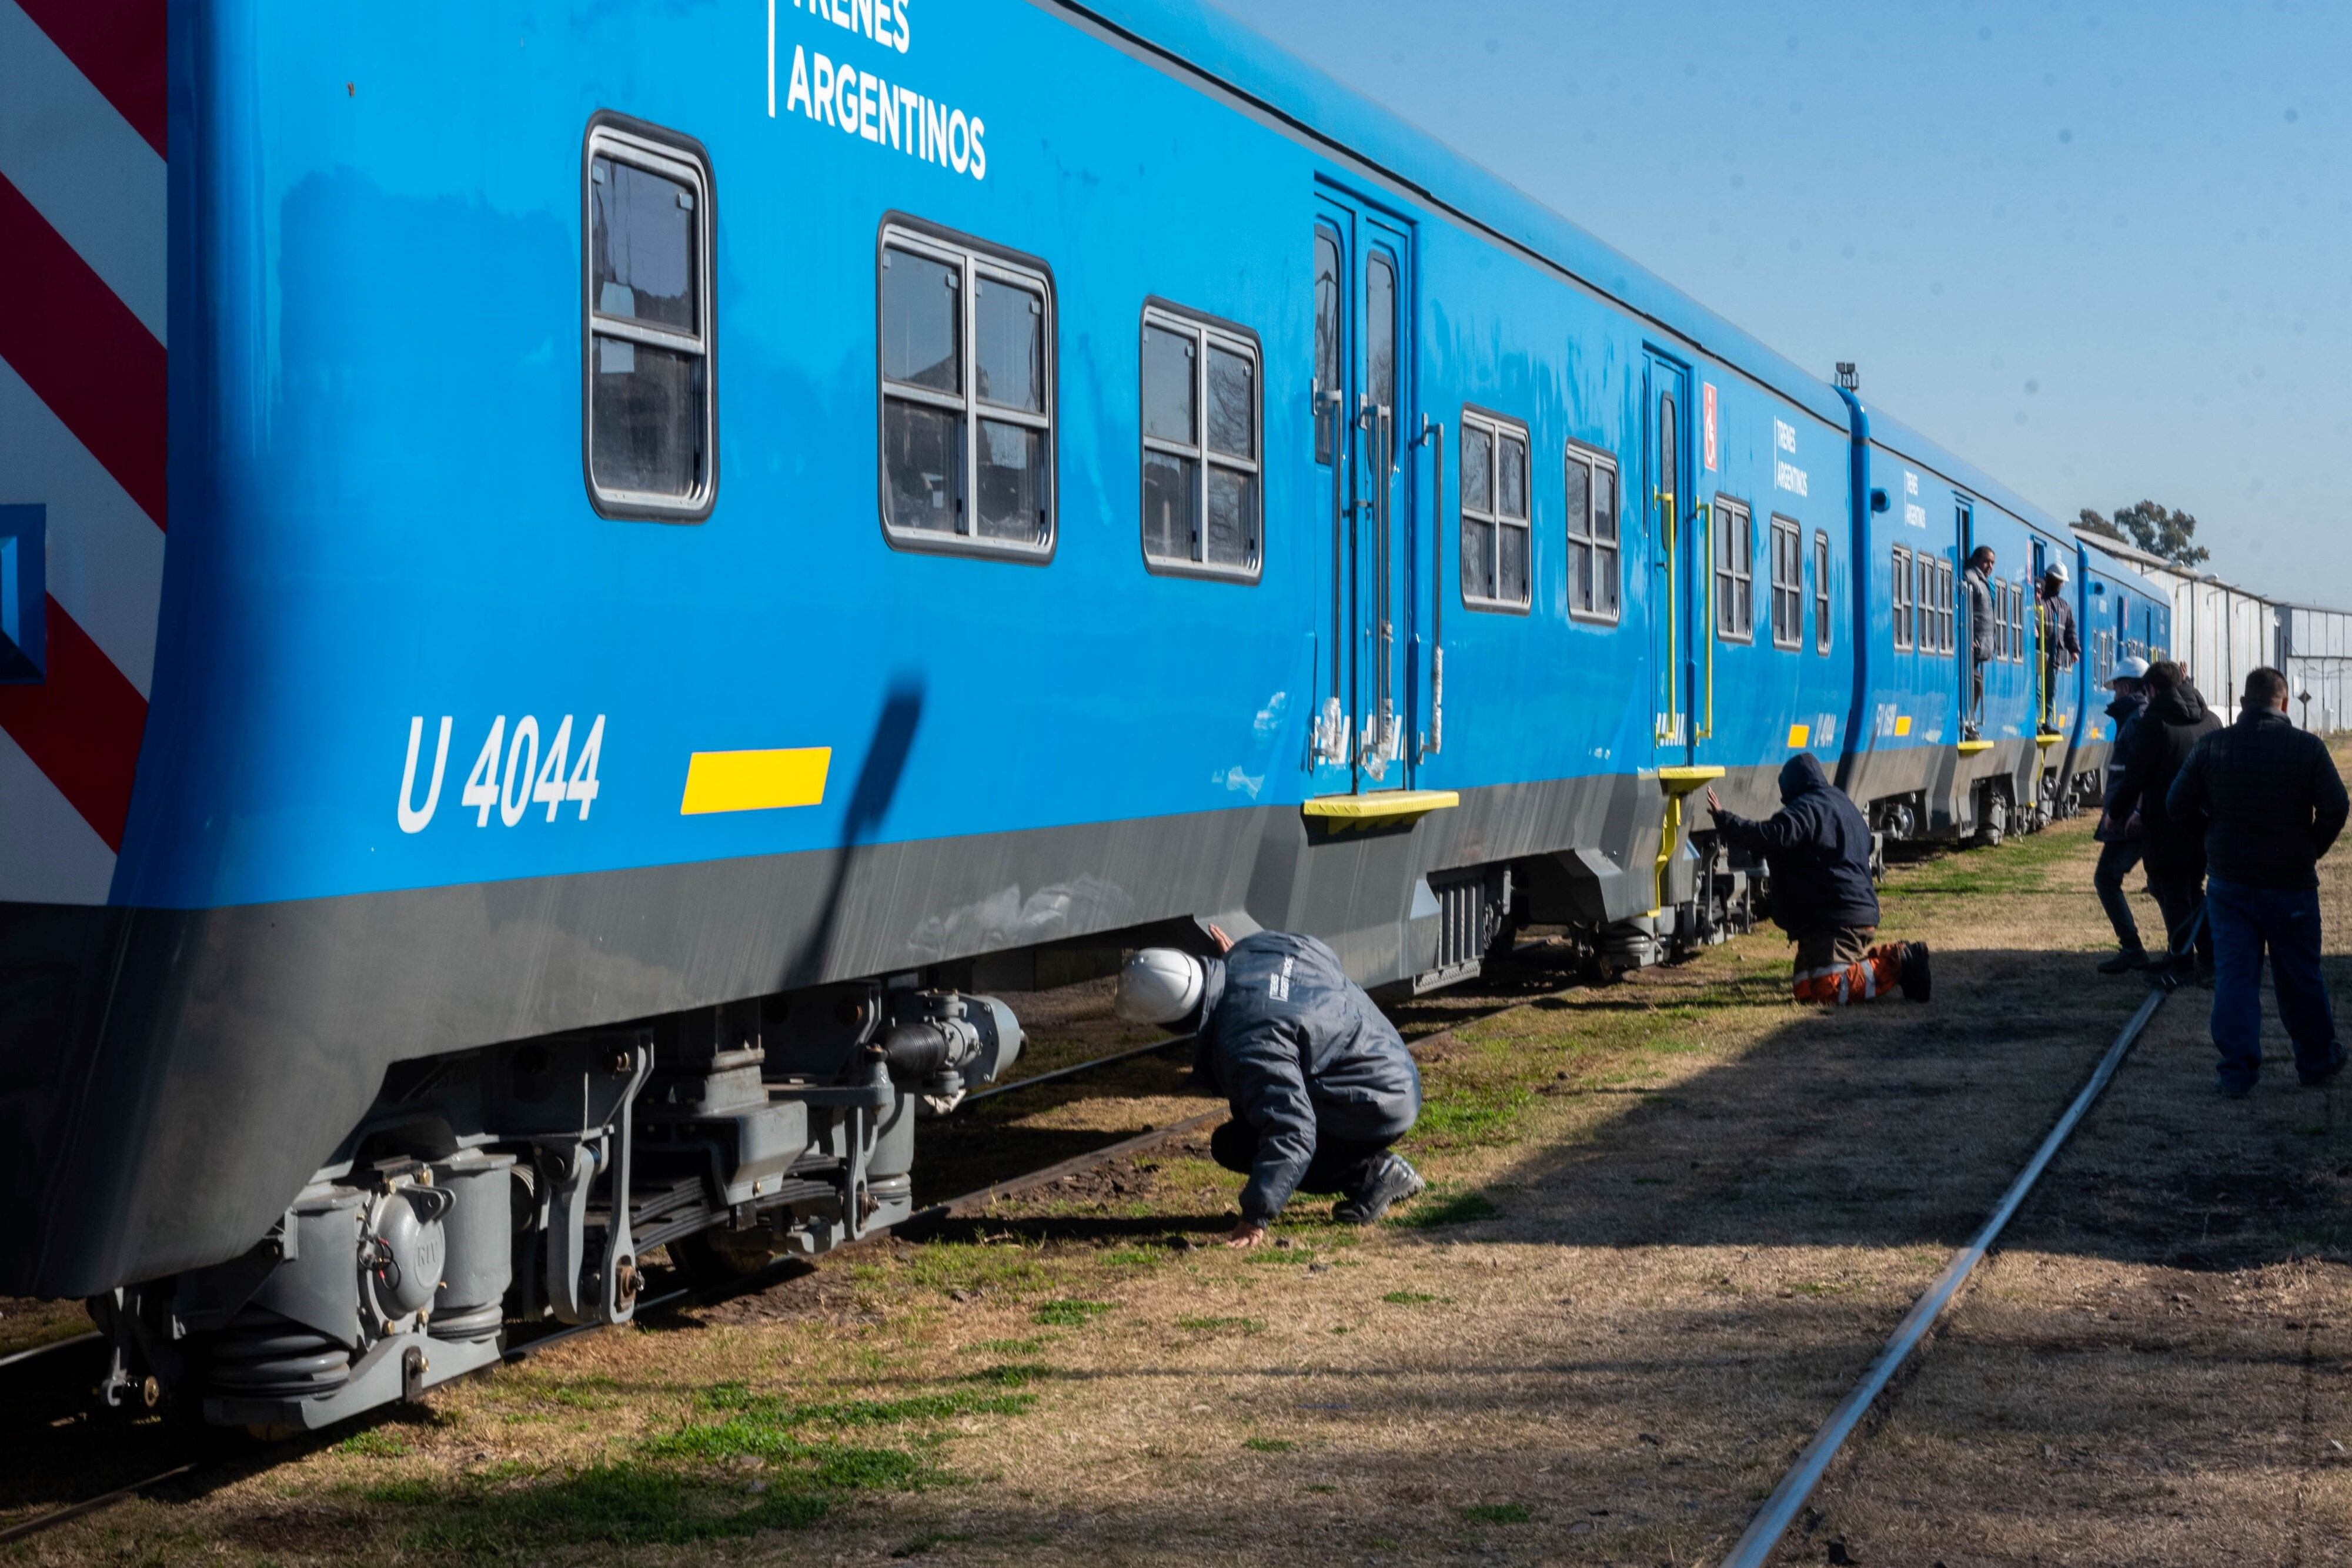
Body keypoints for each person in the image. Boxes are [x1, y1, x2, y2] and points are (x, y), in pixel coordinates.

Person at [1114, 928, 1425, 1246]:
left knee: (1236, 1145)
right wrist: (1244, 968)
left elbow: (1293, 1131)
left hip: (1380, 1100)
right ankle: (1370, 1165)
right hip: (1388, 1058)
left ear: (1172, 1024)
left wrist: (1255, 1217)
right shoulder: (1257, 947)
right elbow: (1322, 955)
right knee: (1256, 1118)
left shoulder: (1249, 1041)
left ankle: (1375, 1175)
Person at [2167, 666, 2350, 1096]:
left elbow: (2177, 803)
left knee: (2235, 977)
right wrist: (2312, 847)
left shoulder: (2213, 746)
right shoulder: (2307, 748)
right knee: (2300, 975)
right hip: (2291, 882)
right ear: (2285, 703)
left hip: (2230, 882)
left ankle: (2236, 1070)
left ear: (2243, 703)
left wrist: (2210, 838)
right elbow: (2336, 806)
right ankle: (2316, 1059)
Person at [1706, 754, 1930, 1004]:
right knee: (1805, 990)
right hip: (1839, 916)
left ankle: (1902, 960)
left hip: (1838, 920)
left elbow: (1768, 836)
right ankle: (1884, 963)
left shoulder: (1807, 810)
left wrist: (1724, 819)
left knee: (1830, 988)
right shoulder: (1844, 804)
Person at [2106, 661, 2221, 982]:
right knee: (2192, 890)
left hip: (2165, 822)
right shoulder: (2211, 720)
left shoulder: (2155, 722)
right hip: (2204, 822)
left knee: (2173, 893)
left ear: (2153, 690)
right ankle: (2208, 958)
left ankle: (2182, 964)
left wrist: (2116, 812)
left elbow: (2136, 775)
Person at [2091, 655, 2154, 974]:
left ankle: (2133, 948)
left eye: (2116, 689)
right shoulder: (2136, 717)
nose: (2113, 695)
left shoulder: (2136, 720)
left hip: (2131, 819)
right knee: (2165, 884)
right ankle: (2192, 951)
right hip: (2132, 815)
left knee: (2106, 878)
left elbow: (2142, 773)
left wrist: (2127, 812)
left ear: (2127, 688)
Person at [2036, 562, 2079, 735]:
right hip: (2039, 652)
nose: (2058, 584)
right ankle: (2037, 723)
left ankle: (2046, 723)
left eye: (2060, 581)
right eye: (2056, 580)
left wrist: (2074, 650)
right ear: (2048, 578)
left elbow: (2070, 630)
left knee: (2050, 690)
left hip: (2055, 655)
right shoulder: (2040, 601)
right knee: (2038, 689)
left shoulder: (2064, 606)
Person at [1962, 546, 1997, 739]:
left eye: (1992, 563)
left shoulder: (1984, 582)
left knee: (1975, 682)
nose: (1990, 566)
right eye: (1986, 561)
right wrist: (1967, 638)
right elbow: (1964, 610)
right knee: (1975, 682)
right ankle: (1968, 723)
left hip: (1978, 646)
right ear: (1976, 559)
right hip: (1969, 645)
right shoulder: (1971, 579)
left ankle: (1970, 722)